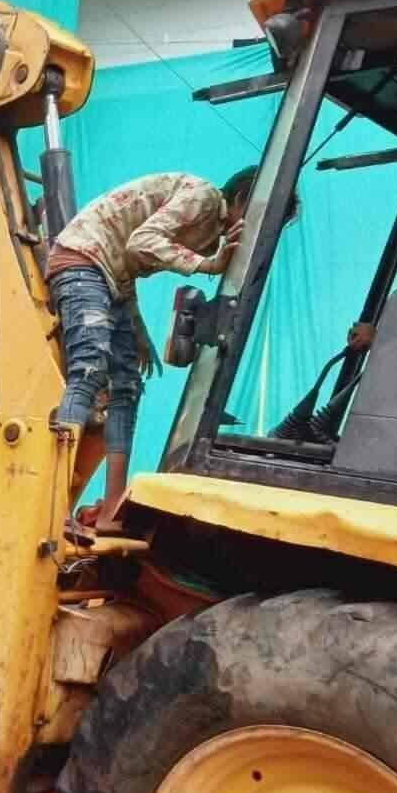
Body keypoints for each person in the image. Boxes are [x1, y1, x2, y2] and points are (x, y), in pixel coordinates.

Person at [48, 167, 257, 530]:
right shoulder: (204, 198)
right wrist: (206, 265)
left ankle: (113, 506)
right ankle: (49, 504)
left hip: (111, 277)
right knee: (90, 366)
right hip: (82, 261)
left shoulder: (209, 232)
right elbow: (141, 240)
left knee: (127, 387)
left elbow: (126, 264)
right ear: (241, 200)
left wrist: (137, 327)